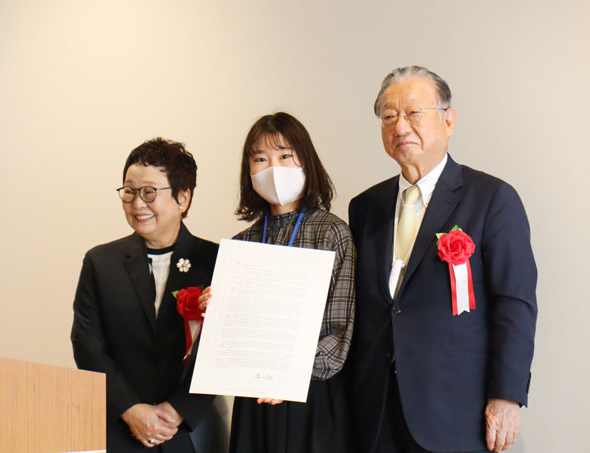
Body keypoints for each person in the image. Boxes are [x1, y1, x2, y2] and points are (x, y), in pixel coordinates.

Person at [347, 66, 538, 452]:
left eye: (414, 113)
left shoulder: (491, 199)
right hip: (375, 412)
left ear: (448, 120)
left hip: (455, 412)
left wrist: (507, 397)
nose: (400, 127)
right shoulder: (365, 207)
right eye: (388, 116)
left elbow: (514, 304)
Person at [199, 112, 356, 453]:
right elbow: (230, 334)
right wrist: (214, 313)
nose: (273, 167)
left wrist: (287, 374)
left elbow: (339, 332)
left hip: (312, 396)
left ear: (306, 161)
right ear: (249, 171)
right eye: (260, 159)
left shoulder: (332, 233)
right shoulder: (241, 244)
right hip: (253, 398)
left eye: (285, 155)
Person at [71, 138, 219, 452]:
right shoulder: (100, 262)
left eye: (149, 192)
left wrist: (178, 410)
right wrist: (131, 409)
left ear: (183, 197)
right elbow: (87, 344)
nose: (138, 204)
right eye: (129, 191)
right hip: (118, 428)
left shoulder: (216, 261)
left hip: (193, 429)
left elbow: (223, 348)